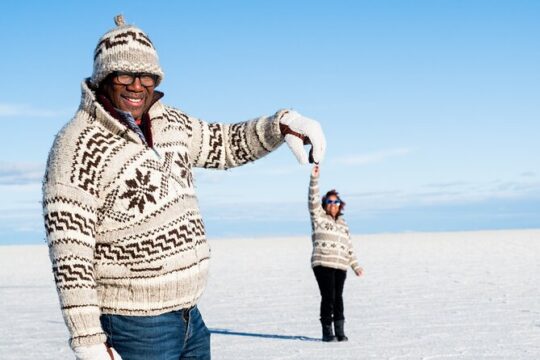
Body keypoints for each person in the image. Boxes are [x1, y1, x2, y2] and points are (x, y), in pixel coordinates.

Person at [43, 15, 326, 360]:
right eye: (125, 74)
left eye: (146, 75)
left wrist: (280, 125)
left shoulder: (171, 123)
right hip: (134, 326)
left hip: (190, 315)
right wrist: (88, 341)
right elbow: (70, 254)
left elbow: (223, 142)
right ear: (104, 77)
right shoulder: (76, 145)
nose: (137, 85)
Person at [308, 165, 363, 342]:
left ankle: (340, 331)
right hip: (323, 261)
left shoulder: (343, 224)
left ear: (340, 205)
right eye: (330, 202)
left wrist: (355, 266)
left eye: (336, 202)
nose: (333, 204)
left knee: (338, 297)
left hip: (340, 264)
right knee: (328, 296)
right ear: (325, 204)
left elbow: (348, 247)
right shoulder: (319, 217)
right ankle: (327, 332)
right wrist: (314, 179)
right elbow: (312, 200)